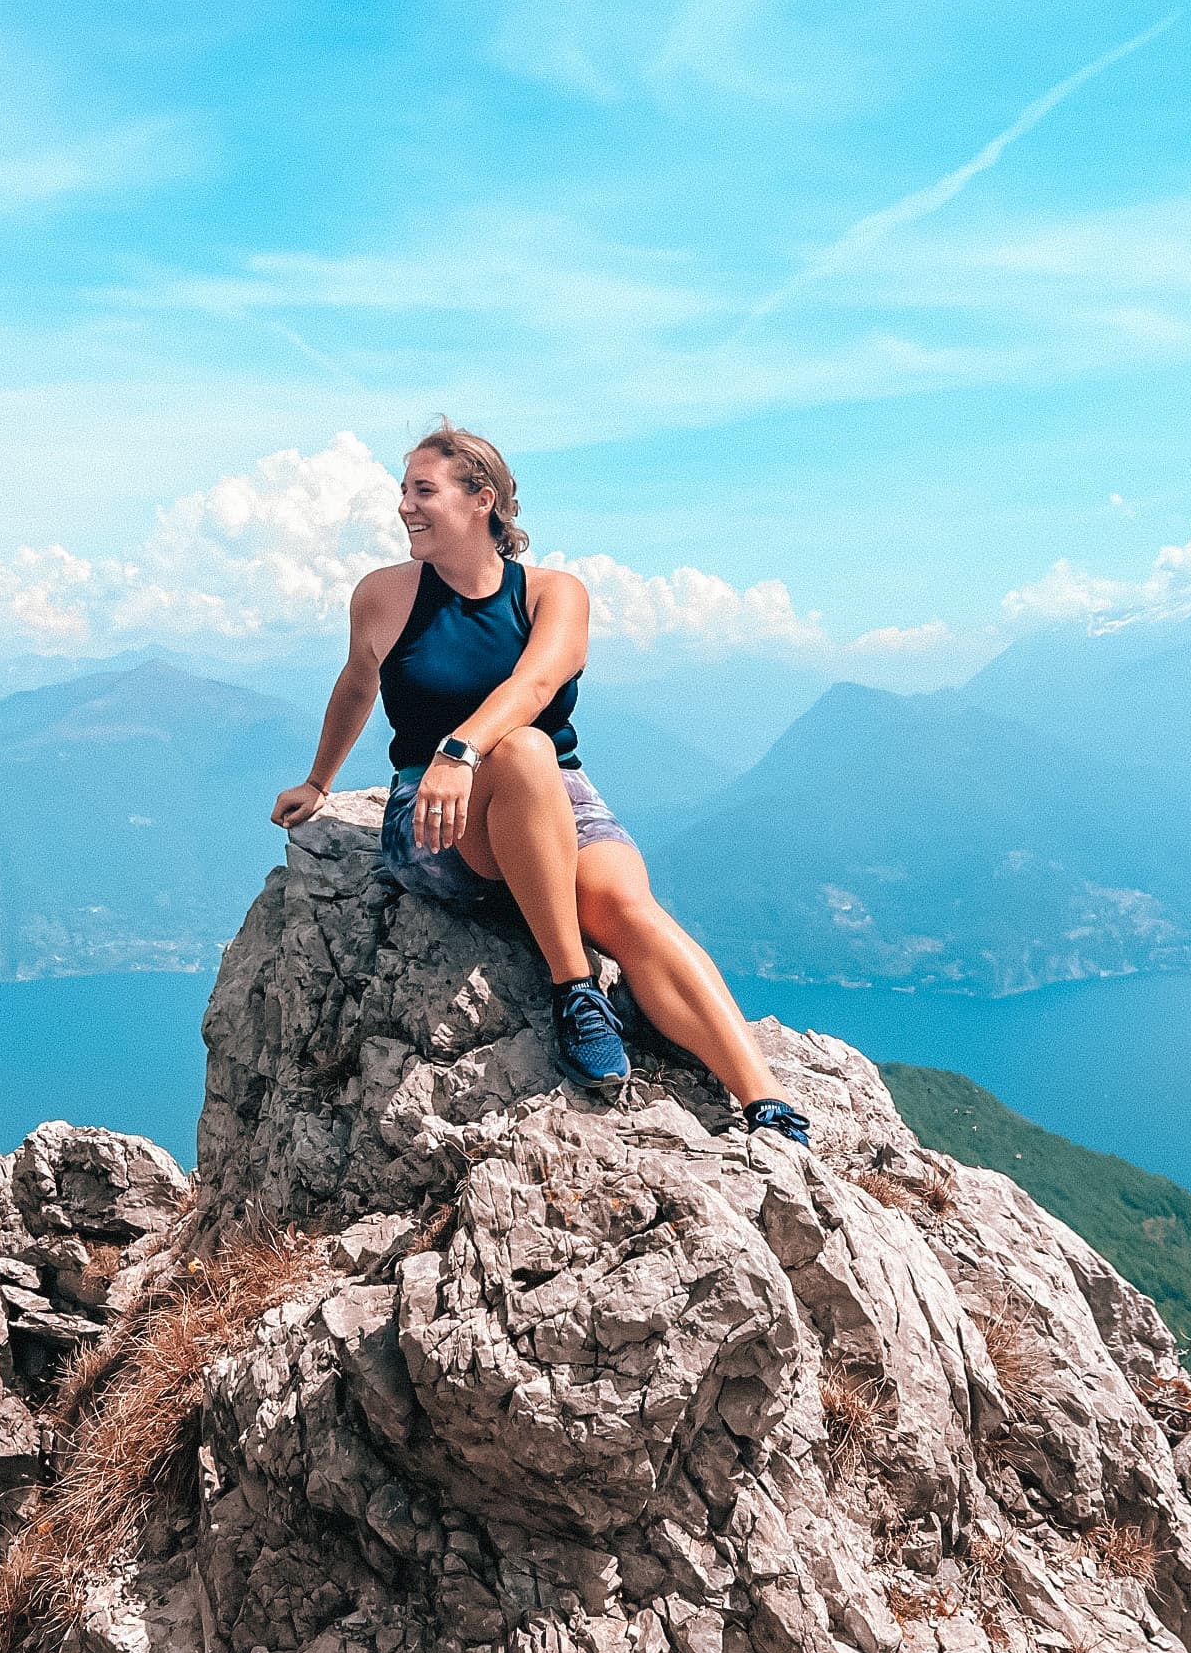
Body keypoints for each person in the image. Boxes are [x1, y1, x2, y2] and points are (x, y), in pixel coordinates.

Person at [271, 420, 809, 1141]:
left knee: (625, 905)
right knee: (524, 750)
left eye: (423, 491)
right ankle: (575, 988)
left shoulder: (553, 593)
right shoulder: (383, 596)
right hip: (439, 822)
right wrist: (319, 780)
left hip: (554, 798)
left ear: (482, 500)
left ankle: (764, 1101)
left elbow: (536, 682)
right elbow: (357, 682)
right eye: (403, 491)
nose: (404, 507)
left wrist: (460, 750)